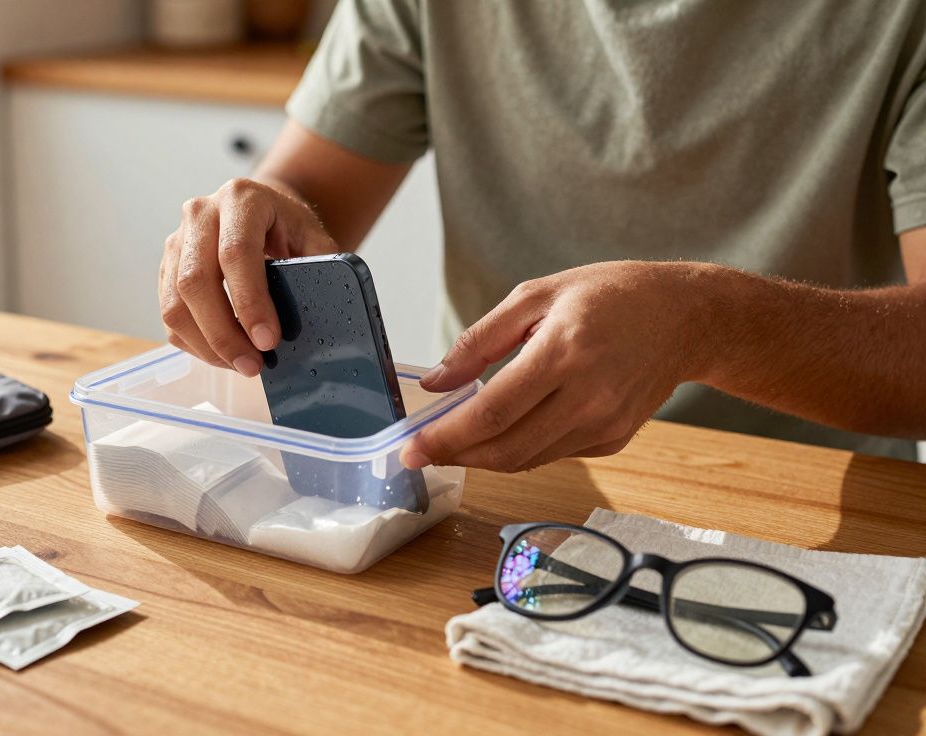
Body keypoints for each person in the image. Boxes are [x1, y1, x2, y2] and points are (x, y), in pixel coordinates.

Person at [156, 0, 926, 472]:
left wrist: (706, 321)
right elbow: (305, 196)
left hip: (796, 499)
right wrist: (251, 223)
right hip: (481, 479)